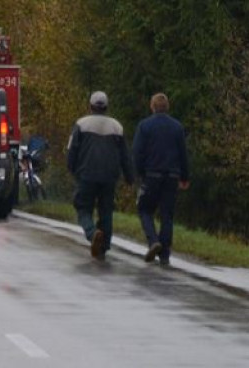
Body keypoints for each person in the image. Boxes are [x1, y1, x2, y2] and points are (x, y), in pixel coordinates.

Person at [66, 91, 134, 259]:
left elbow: (72, 149)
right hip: (109, 176)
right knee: (106, 210)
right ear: (106, 107)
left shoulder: (81, 124)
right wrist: (129, 176)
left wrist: (72, 169)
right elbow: (125, 155)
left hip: (86, 173)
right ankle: (104, 246)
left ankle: (92, 232)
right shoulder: (116, 127)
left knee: (82, 207)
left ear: (90, 106)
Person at [132, 93, 190, 266]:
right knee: (167, 214)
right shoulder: (177, 127)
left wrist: (140, 173)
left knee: (144, 209)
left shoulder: (144, 126)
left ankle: (153, 241)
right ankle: (164, 253)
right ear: (167, 107)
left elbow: (137, 152)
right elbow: (183, 154)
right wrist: (185, 176)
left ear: (152, 106)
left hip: (151, 175)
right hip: (172, 176)